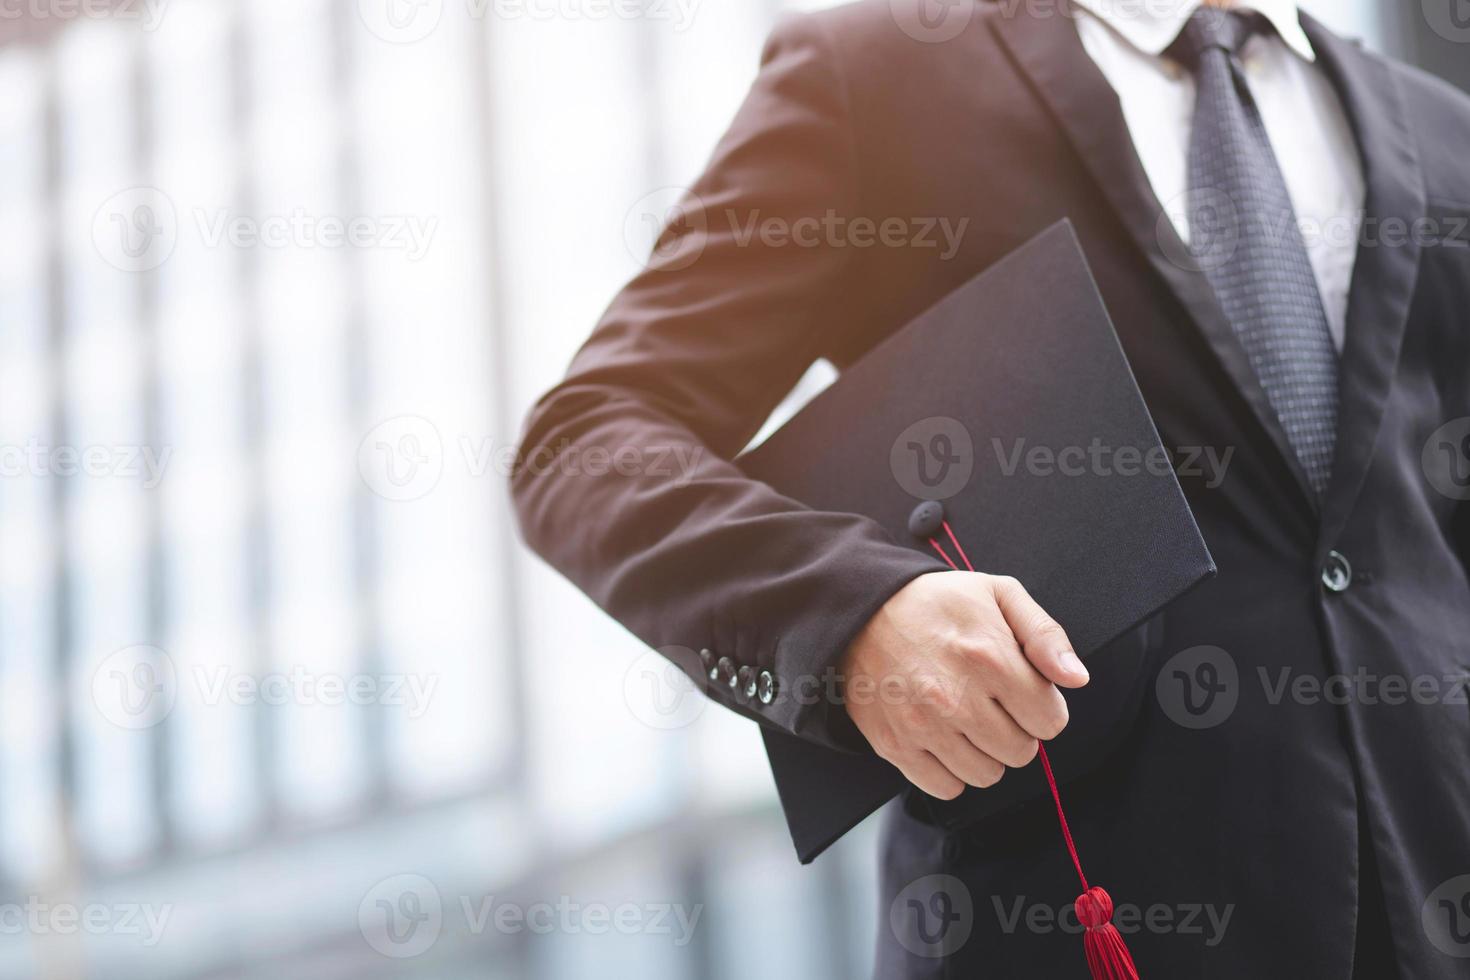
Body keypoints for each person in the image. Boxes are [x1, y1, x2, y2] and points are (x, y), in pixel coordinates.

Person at [511, 1, 1470, 975]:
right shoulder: (881, 73)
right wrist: (855, 614)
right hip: (1067, 910)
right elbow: (585, 443)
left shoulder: (1438, 127)